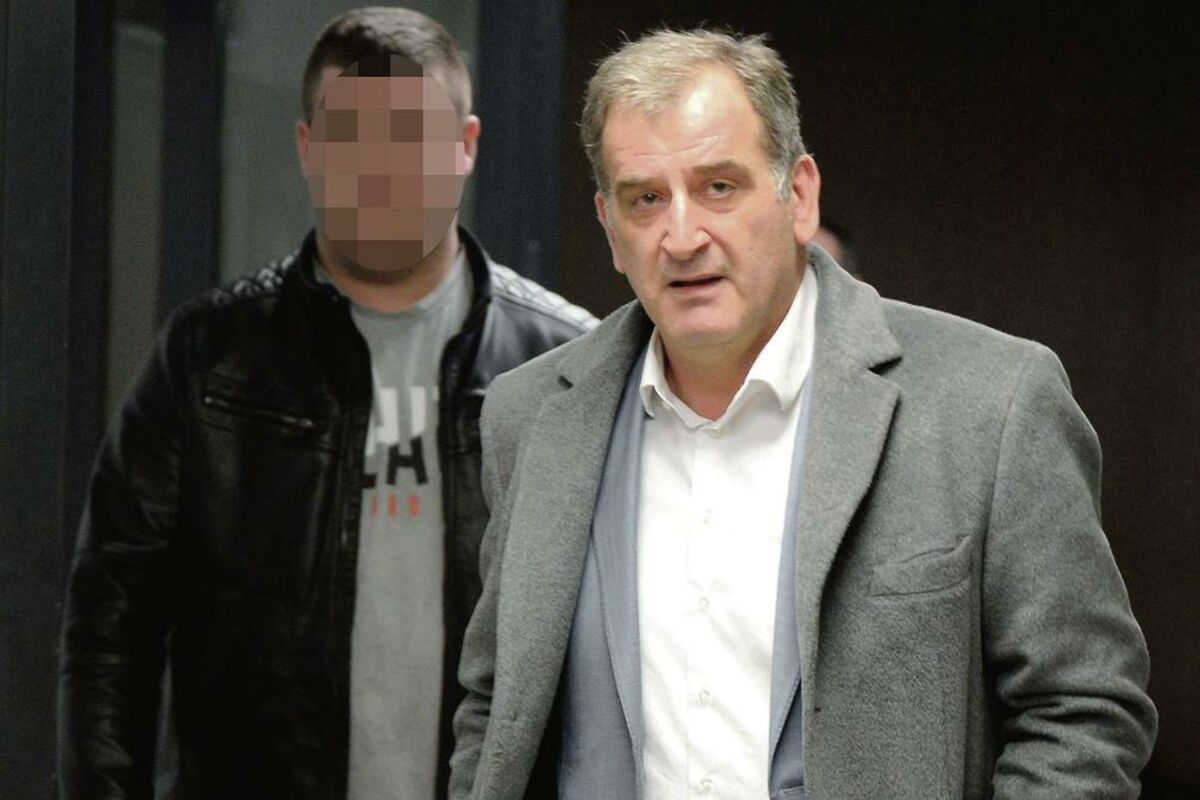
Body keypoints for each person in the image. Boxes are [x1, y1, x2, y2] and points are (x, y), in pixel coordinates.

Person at [449, 28, 1156, 800]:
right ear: (610, 228)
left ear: (801, 195)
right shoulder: (530, 419)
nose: (681, 236)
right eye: (645, 199)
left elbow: (1083, 713)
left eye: (720, 187)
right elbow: (495, 707)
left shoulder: (989, 402)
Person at [58, 7, 594, 800]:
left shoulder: (563, 366)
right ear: (309, 148)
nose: (382, 170)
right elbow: (110, 632)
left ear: (465, 146)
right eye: (352, 138)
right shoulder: (208, 359)